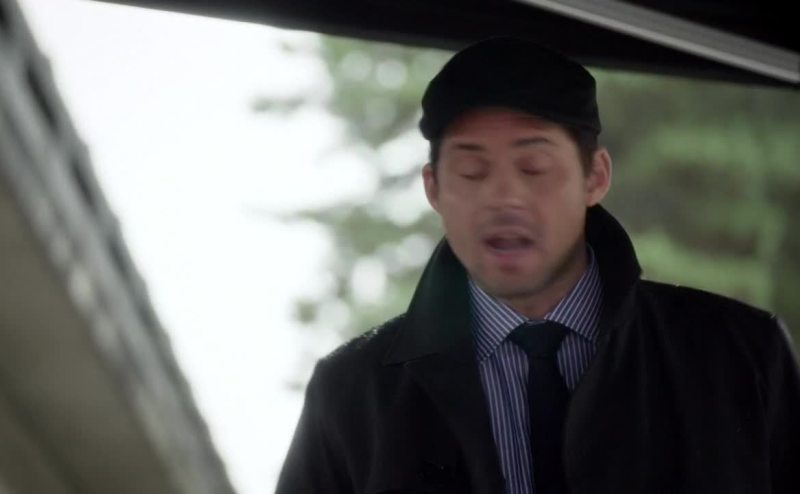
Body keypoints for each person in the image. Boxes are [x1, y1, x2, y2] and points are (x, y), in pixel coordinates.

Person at [276, 36, 800, 494]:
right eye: (472, 171)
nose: (505, 197)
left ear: (595, 177)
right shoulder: (351, 395)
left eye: (534, 167)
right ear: (433, 189)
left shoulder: (741, 356)